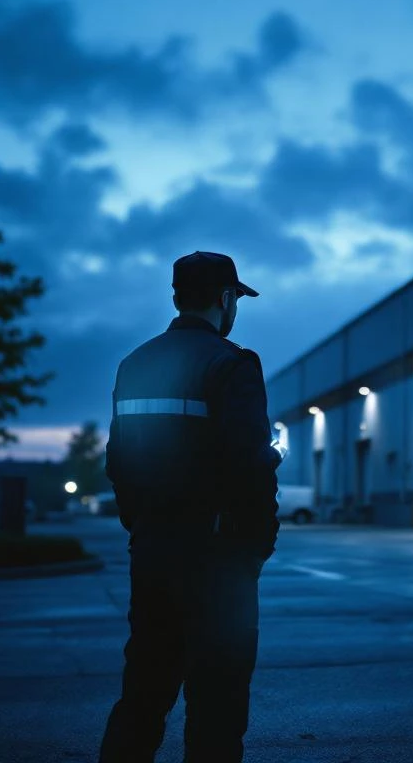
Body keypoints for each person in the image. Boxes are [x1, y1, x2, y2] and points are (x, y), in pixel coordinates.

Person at [99, 250, 281, 763]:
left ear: (178, 296)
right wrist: (256, 548)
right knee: (216, 710)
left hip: (153, 553)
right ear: (225, 299)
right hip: (218, 564)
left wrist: (144, 526)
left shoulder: (135, 363)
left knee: (143, 696)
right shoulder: (232, 364)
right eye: (236, 299)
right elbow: (252, 466)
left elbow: (117, 459)